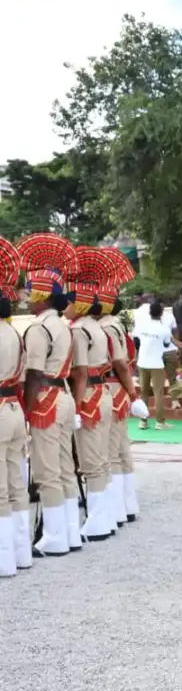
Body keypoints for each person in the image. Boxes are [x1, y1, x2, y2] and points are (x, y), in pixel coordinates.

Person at [18, 233, 81, 557]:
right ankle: (70, 531)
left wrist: (26, 411)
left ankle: (56, 535)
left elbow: (33, 374)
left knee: (46, 472)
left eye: (30, 292)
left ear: (42, 296)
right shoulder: (63, 326)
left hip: (46, 398)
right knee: (65, 468)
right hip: (65, 396)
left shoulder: (38, 328)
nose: (27, 297)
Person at [65, 270, 116, 540]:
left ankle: (97, 521)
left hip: (89, 397)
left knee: (91, 462)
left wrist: (75, 405)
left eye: (70, 303)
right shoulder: (97, 327)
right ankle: (105, 516)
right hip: (103, 392)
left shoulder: (79, 331)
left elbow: (81, 372)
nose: (66, 307)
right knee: (102, 459)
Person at [97, 277, 146, 526]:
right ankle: (128, 504)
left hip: (113, 386)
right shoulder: (117, 325)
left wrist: (131, 390)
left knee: (112, 451)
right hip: (120, 389)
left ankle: (117, 509)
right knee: (122, 448)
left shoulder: (106, 327)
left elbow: (119, 364)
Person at [0, 238, 31, 577]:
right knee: (15, 483)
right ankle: (20, 553)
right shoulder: (15, 335)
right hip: (12, 408)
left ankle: (4, 560)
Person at [136, 301, 172, 430]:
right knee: (158, 393)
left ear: (149, 312)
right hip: (156, 364)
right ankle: (160, 422)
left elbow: (137, 340)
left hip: (142, 363)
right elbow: (167, 344)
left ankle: (143, 421)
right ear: (162, 313)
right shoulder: (164, 329)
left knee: (144, 393)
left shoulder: (142, 326)